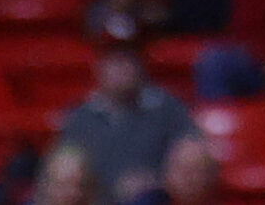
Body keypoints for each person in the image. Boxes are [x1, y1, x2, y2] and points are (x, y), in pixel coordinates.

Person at [54, 41, 196, 205]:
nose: (121, 69)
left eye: (127, 59)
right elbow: (63, 174)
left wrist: (155, 181)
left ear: (141, 65)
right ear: (99, 67)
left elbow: (193, 166)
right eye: (114, 61)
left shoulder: (168, 109)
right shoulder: (79, 118)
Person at [118, 138, 217, 205]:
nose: (189, 178)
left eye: (197, 171)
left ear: (210, 176)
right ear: (167, 173)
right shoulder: (147, 201)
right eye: (183, 170)